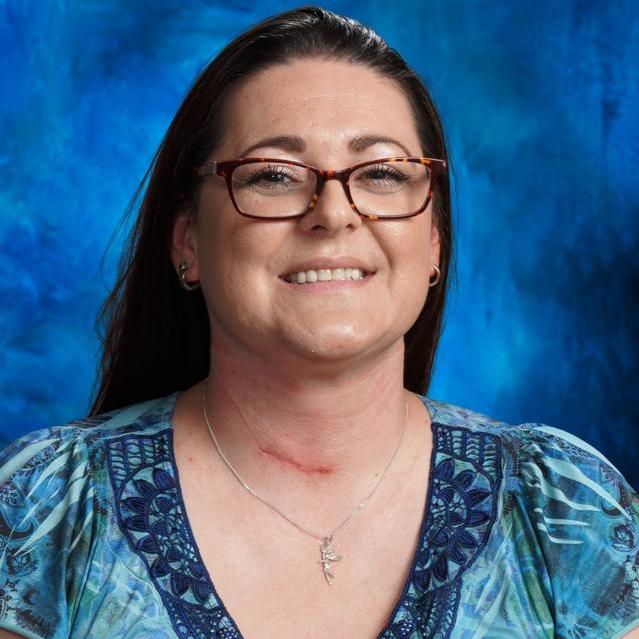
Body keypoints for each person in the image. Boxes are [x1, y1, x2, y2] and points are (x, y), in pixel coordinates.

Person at [0, 6, 637, 638]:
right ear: (187, 240)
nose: (333, 214)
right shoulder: (46, 513)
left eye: (382, 173)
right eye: (274, 176)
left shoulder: (562, 511)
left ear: (434, 242)